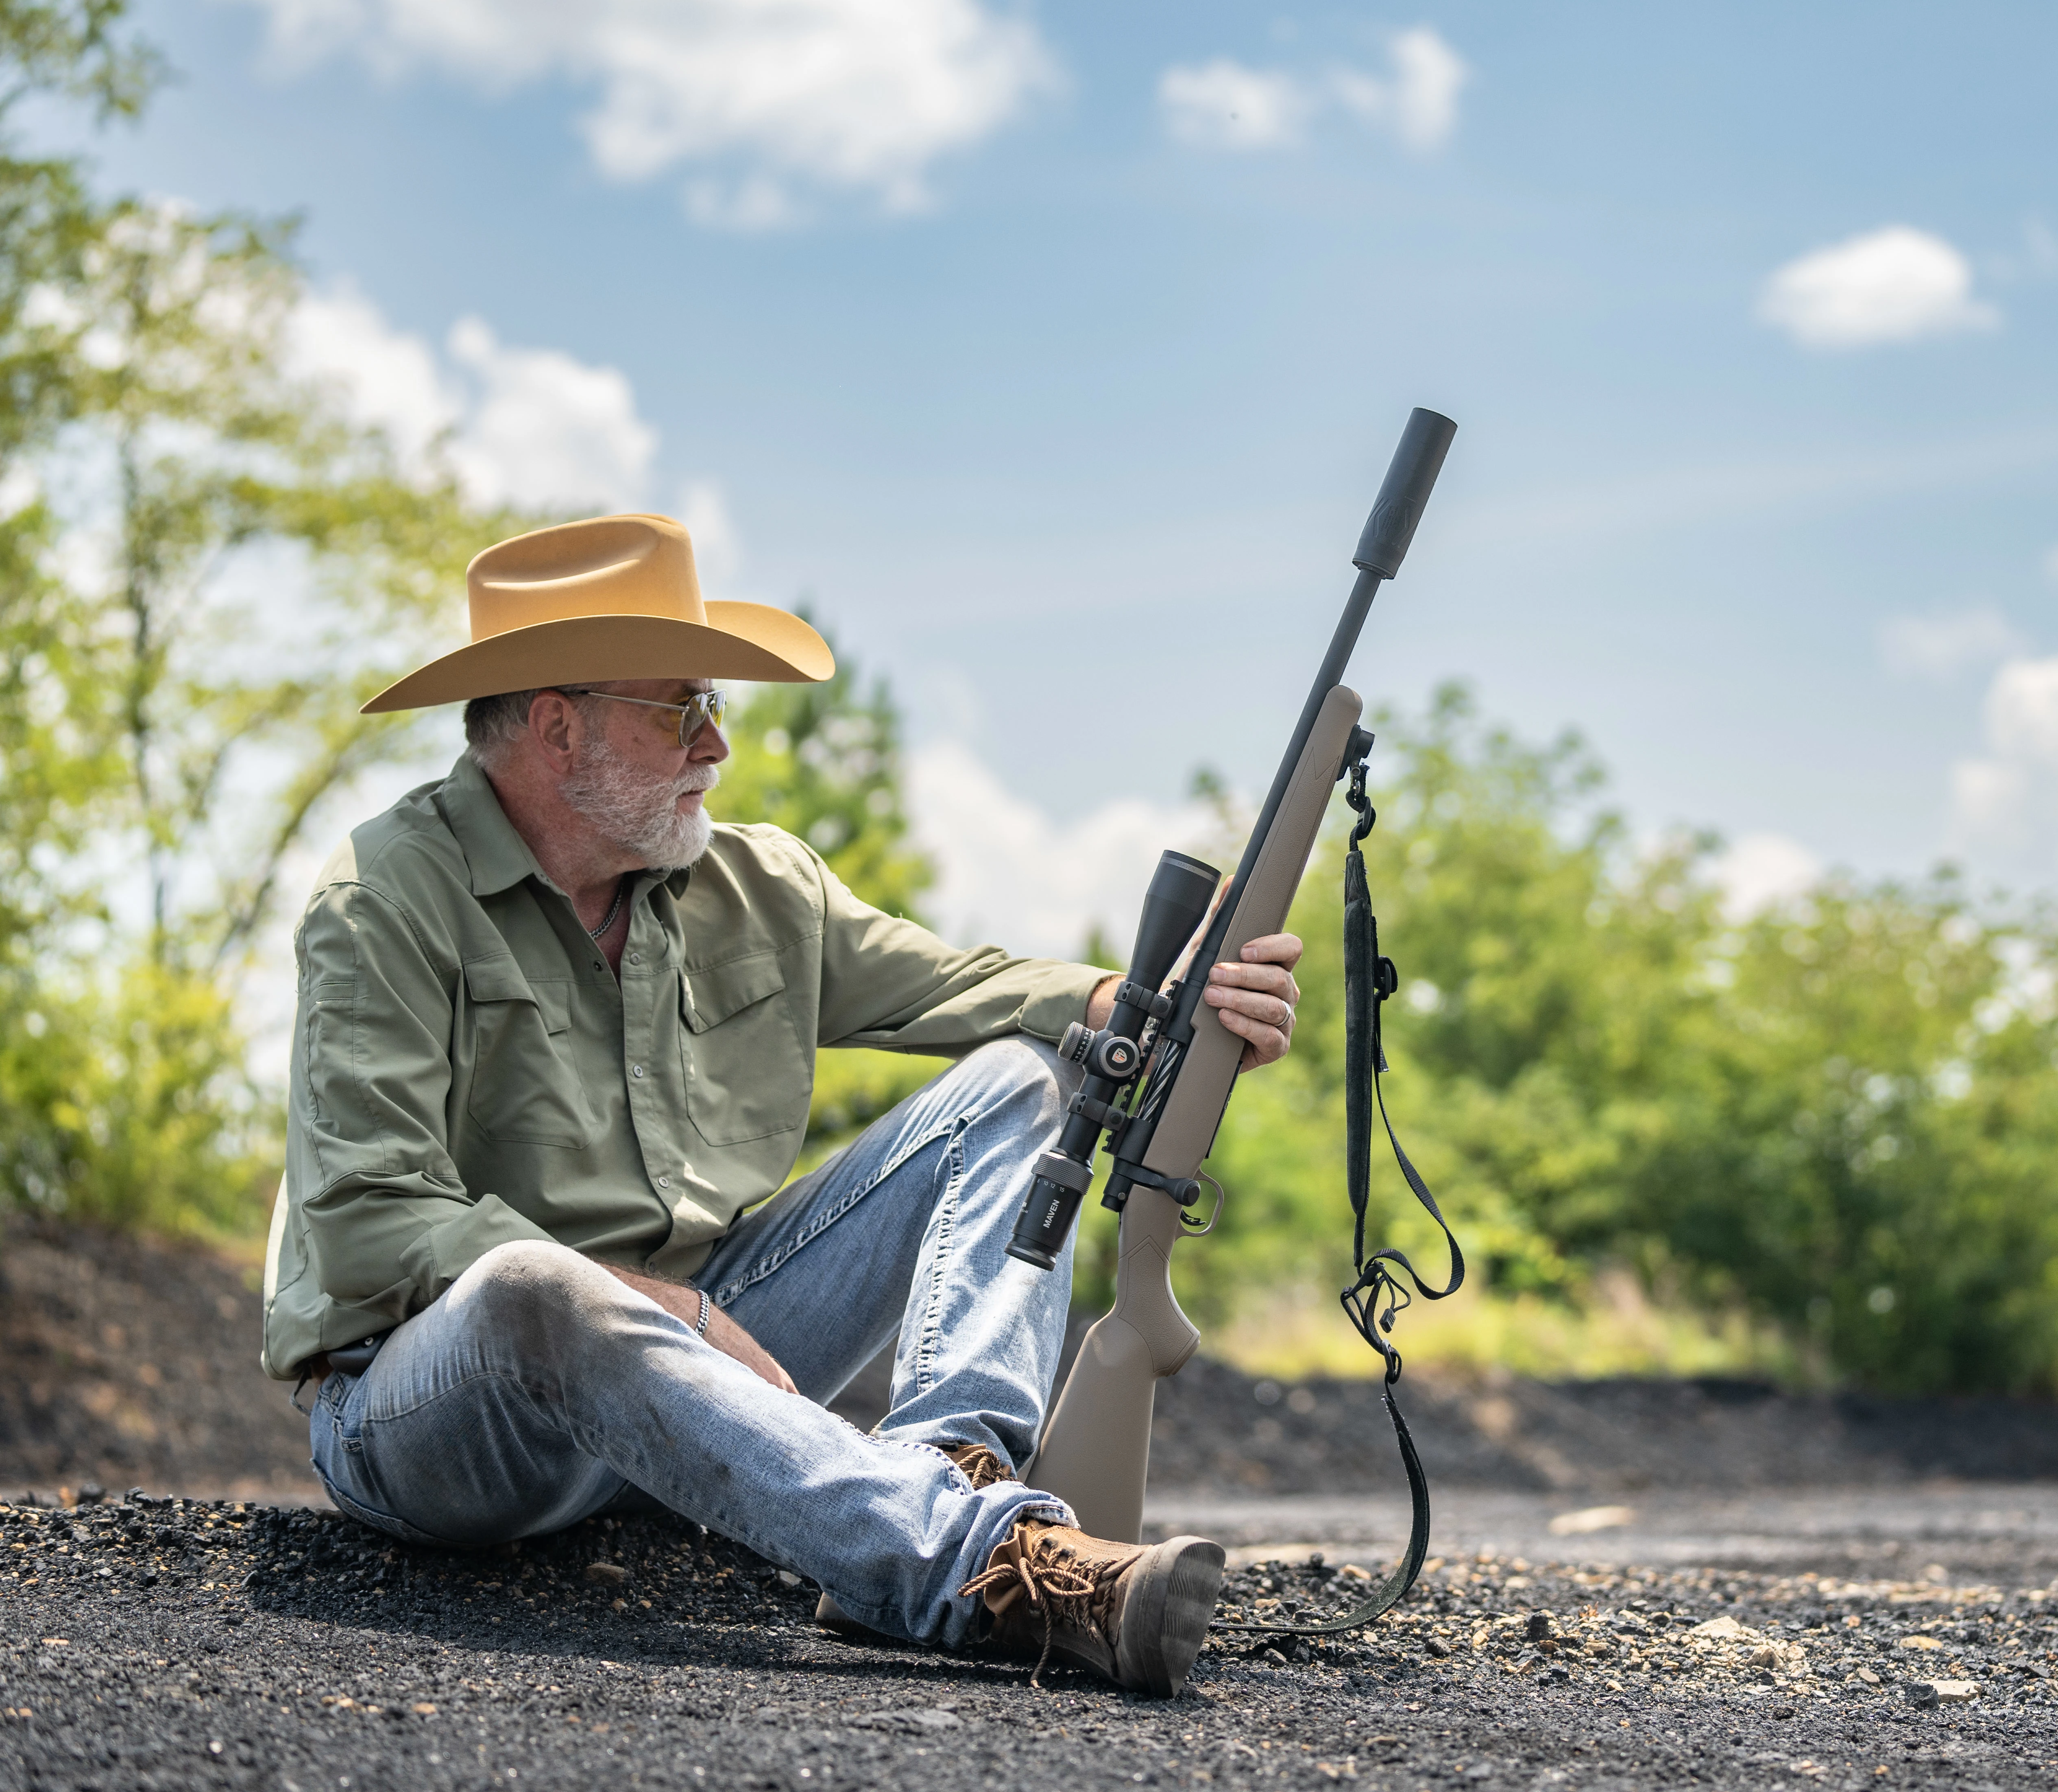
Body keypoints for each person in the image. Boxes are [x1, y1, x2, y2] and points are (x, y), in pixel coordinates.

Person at [260, 512, 1303, 1695]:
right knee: (535, 1286)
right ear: (558, 727)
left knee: (1022, 1076)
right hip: (443, 1415)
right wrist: (667, 1316)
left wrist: (1151, 1002)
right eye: (682, 707)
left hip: (701, 1368)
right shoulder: (381, 903)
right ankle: (979, 1568)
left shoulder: (756, 883)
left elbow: (968, 990)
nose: (715, 743)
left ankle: (948, 1478)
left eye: (717, 707)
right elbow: (367, 1224)